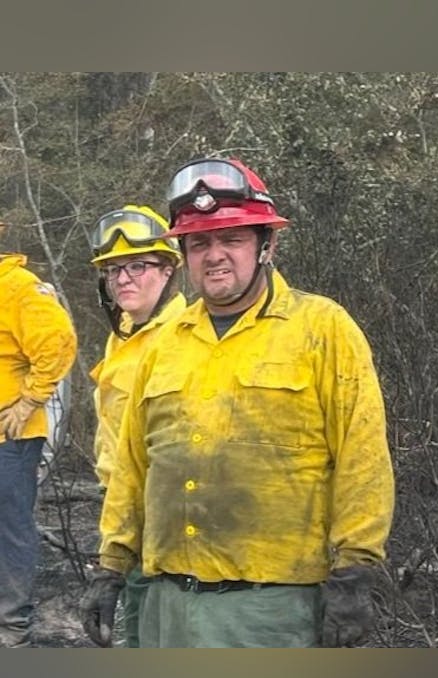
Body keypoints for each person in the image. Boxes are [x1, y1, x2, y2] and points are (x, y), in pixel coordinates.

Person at [80, 158, 395, 648]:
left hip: (272, 609)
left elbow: (363, 458)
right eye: (200, 242)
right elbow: (132, 469)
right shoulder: (164, 344)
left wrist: (355, 570)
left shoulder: (322, 329)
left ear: (267, 244)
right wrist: (110, 567)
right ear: (183, 253)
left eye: (232, 239)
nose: (215, 255)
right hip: (167, 604)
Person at [87, 204, 185, 647]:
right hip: (123, 513)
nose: (123, 279)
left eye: (137, 266)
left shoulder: (179, 338)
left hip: (161, 523)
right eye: (113, 270)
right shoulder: (125, 333)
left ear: (168, 270)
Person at [0, 220, 77, 647]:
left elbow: (58, 340)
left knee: (8, 528)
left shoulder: (16, 286)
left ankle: (11, 627)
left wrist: (31, 400)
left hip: (9, 436)